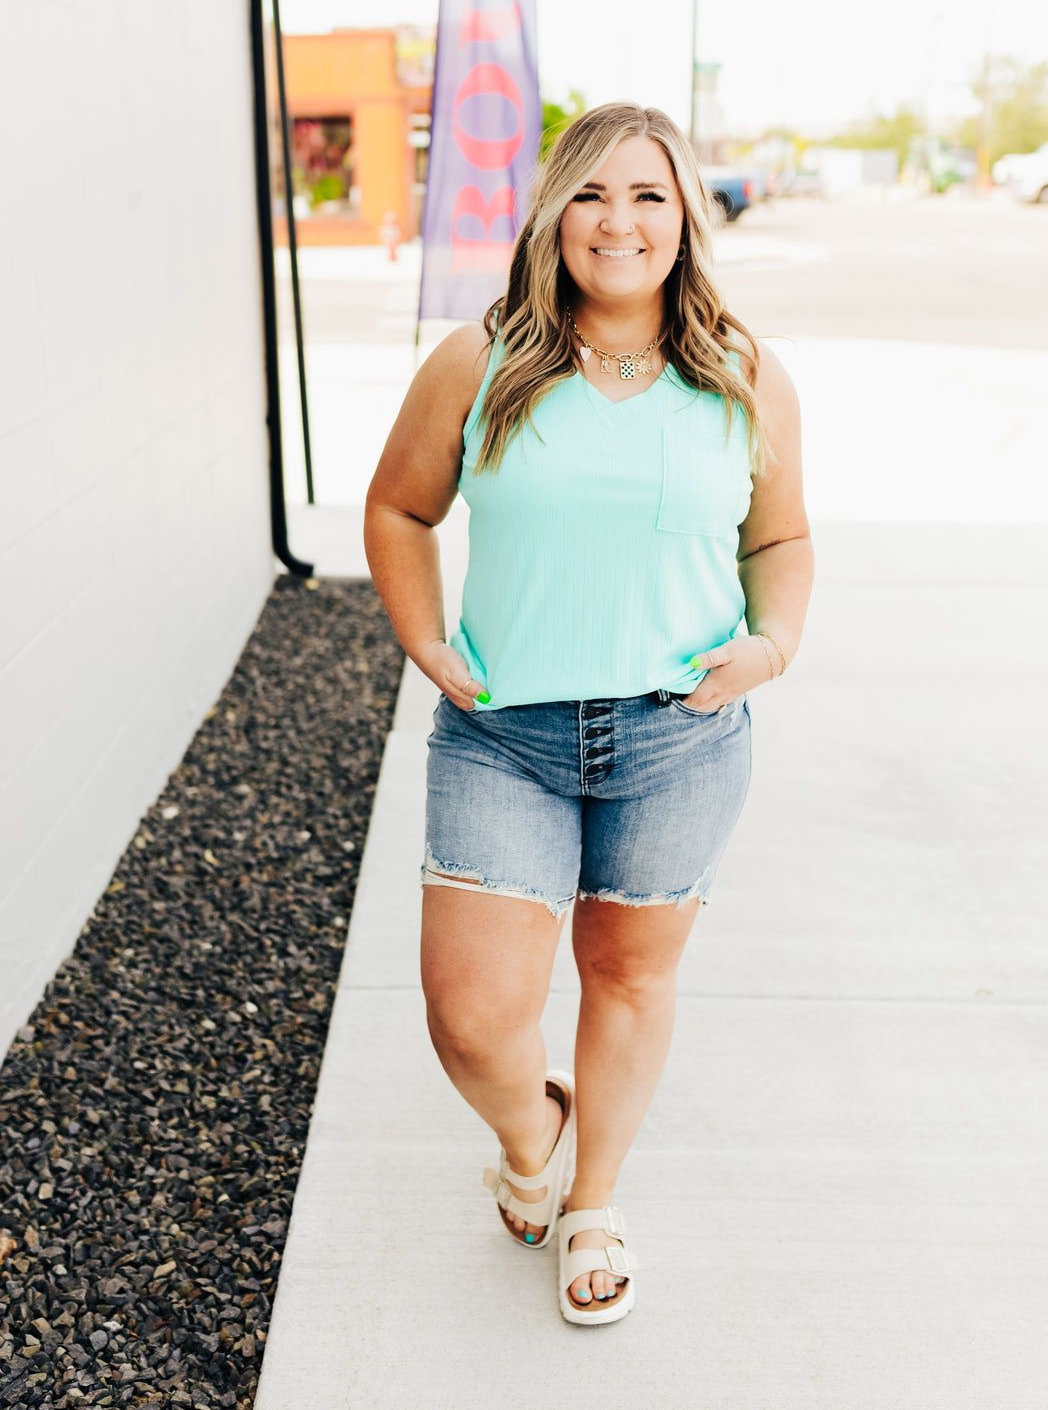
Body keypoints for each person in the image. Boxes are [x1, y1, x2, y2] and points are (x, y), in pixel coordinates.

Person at [364, 102, 813, 1325]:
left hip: (680, 737)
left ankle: (592, 1199)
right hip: (506, 738)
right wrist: (422, 638)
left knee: (625, 980)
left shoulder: (741, 371)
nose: (618, 220)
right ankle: (535, 1133)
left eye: (648, 196)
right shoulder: (483, 359)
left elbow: (779, 538)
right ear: (554, 211)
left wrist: (767, 647)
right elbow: (398, 511)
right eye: (593, 195)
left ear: (686, 217)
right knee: (472, 1016)